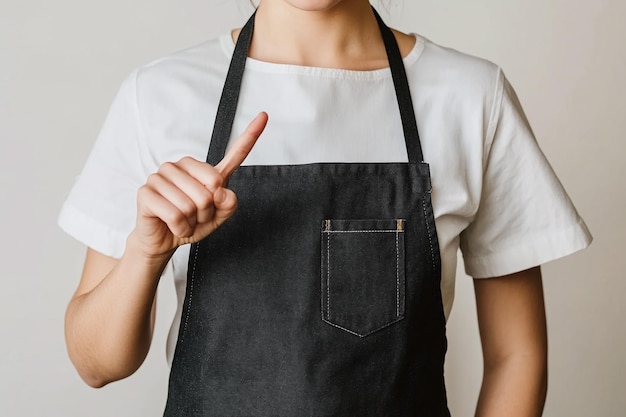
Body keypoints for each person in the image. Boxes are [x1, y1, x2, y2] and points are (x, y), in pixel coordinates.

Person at [58, 0, 592, 415]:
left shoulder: (471, 96)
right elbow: (96, 363)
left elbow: (516, 356)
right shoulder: (157, 96)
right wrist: (144, 253)